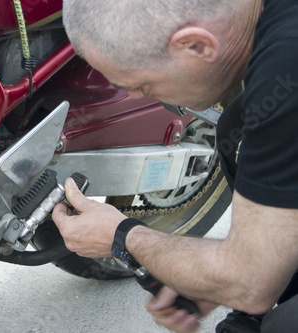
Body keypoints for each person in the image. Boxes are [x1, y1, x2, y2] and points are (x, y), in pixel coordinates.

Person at [52, 0, 298, 332]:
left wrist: (122, 236)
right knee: (235, 127)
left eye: (140, 85)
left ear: (197, 45)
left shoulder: (285, 68)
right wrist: (212, 277)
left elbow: (249, 285)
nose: (138, 97)